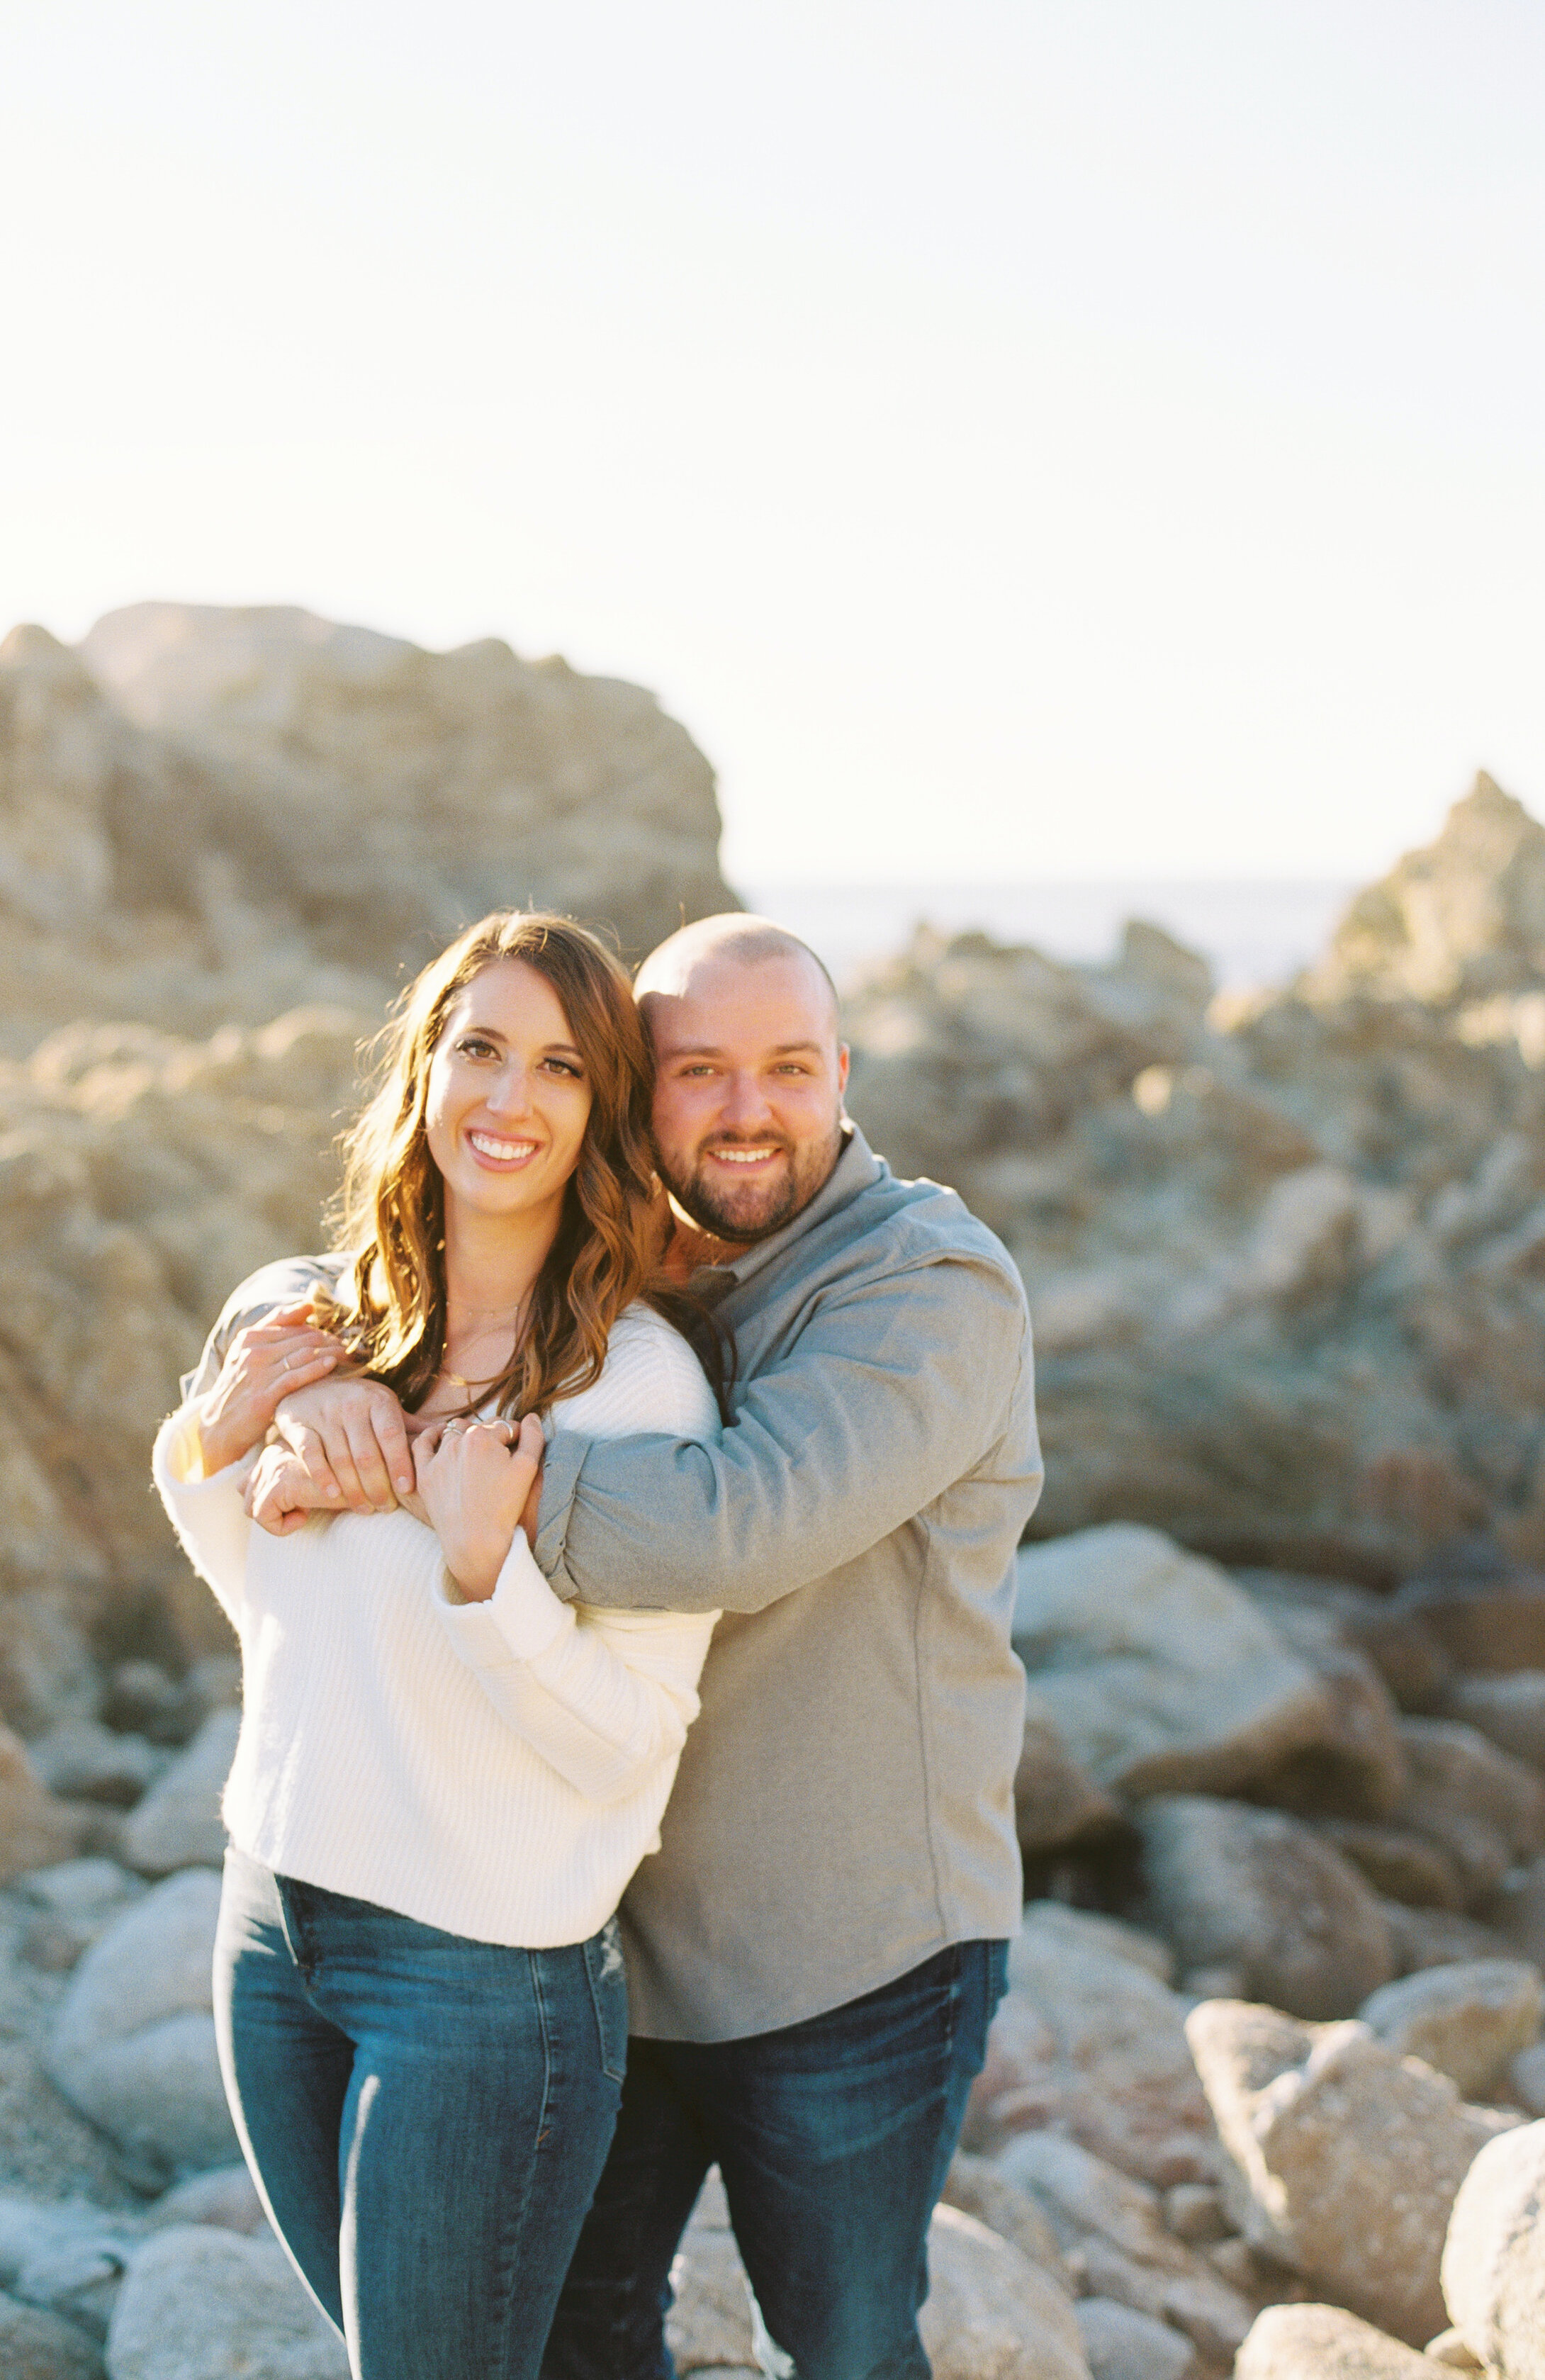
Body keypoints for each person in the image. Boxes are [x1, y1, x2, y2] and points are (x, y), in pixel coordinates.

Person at [236, 913, 1041, 2380]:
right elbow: (378, 1283)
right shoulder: (633, 1260)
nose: (745, 1110)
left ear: (841, 1074)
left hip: (843, 1949)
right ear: (635, 1093)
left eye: (788, 1067)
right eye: (698, 1070)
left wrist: (423, 1457)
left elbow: (737, 1519)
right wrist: (298, 1389)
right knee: (574, 2334)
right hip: (609, 1930)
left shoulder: (925, 1285)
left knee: (846, 2342)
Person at [155, 910, 724, 2380]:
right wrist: (223, 1437)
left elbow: (625, 1746)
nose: (507, 1097)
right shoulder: (334, 1321)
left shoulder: (633, 1391)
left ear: (601, 1110)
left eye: (557, 1065)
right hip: (273, 1931)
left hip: (480, 1984)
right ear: (422, 1067)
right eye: (478, 1047)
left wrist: (487, 1571)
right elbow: (274, 1616)